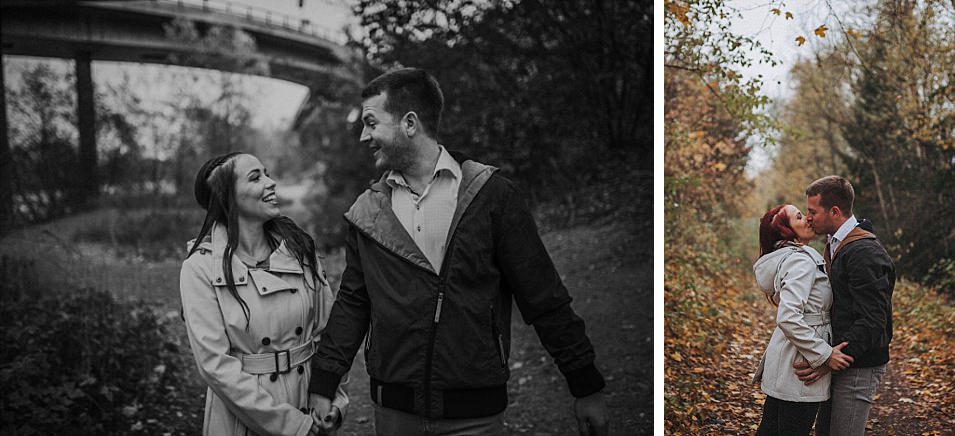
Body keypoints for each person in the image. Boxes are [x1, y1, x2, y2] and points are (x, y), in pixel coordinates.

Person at [306, 68, 609, 436]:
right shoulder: (368, 211)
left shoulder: (491, 196)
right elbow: (353, 303)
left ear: (410, 123)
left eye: (371, 122)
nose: (363, 135)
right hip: (393, 412)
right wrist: (324, 383)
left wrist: (585, 385)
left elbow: (543, 296)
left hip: (476, 415)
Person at [179, 152, 348, 436]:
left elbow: (327, 333)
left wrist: (333, 397)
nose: (271, 183)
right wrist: (292, 427)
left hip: (310, 406)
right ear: (227, 197)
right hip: (244, 418)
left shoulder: (300, 249)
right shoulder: (200, 269)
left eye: (267, 173)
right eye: (256, 177)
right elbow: (215, 366)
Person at [794, 176, 896, 436]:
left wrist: (829, 359)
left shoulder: (864, 252)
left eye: (813, 212)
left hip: (858, 363)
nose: (808, 218)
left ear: (835, 212)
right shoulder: (836, 242)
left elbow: (873, 320)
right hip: (840, 358)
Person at [752, 204, 855, 436]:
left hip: (790, 359)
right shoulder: (800, 262)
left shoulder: (793, 258)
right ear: (786, 230)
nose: (808, 218)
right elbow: (788, 317)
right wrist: (825, 355)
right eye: (799, 216)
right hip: (800, 366)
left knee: (770, 430)